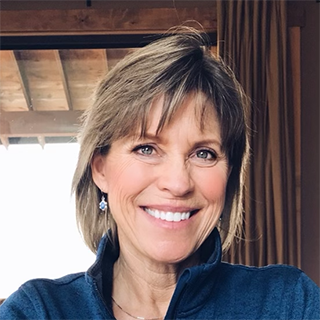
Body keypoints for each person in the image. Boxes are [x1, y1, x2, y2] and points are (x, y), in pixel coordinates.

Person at [0, 27, 319, 320]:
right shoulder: (39, 311)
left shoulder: (288, 303)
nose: (178, 183)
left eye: (204, 153)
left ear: (229, 176)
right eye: (147, 148)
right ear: (100, 169)